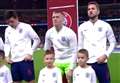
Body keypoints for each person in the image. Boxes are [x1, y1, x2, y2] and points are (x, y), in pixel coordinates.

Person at [78, 1, 116, 83]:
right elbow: (80, 45)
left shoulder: (106, 25)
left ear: (98, 11)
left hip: (101, 62)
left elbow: (113, 42)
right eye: (88, 9)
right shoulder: (82, 27)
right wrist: (79, 60)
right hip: (87, 63)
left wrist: (106, 55)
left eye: (93, 9)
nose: (90, 11)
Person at [4, 10, 40, 83]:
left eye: (12, 21)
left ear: (17, 18)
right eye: (8, 22)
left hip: (25, 60)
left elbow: (37, 40)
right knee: (16, 81)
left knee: (30, 81)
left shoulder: (26, 27)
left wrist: (30, 53)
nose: (10, 24)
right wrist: (7, 55)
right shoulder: (7, 30)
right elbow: (7, 44)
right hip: (14, 62)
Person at [44, 11, 77, 83]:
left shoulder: (70, 33)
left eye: (57, 17)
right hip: (57, 61)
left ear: (63, 19)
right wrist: (48, 62)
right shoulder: (49, 32)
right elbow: (47, 50)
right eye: (53, 17)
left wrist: (71, 68)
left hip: (69, 60)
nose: (55, 19)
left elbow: (74, 51)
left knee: (69, 80)